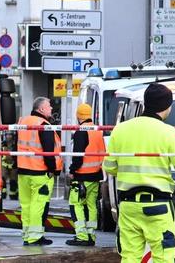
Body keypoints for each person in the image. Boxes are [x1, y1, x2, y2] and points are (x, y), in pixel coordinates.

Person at [104, 84, 175, 263]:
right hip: (158, 206)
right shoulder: (169, 133)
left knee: (129, 256)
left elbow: (109, 167)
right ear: (167, 106)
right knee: (164, 256)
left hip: (128, 206)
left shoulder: (120, 130)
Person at [17, 97, 61, 246]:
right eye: (49, 106)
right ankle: (35, 237)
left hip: (23, 171)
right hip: (40, 172)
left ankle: (27, 235)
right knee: (38, 205)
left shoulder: (23, 122)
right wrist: (52, 170)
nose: (51, 108)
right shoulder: (43, 125)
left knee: (26, 206)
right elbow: (48, 152)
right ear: (41, 109)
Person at [67, 103, 105, 247]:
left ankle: (81, 236)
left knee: (75, 204)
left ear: (78, 116)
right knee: (91, 206)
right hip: (95, 175)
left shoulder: (81, 131)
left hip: (81, 176)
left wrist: (72, 170)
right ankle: (91, 235)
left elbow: (78, 156)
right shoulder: (97, 130)